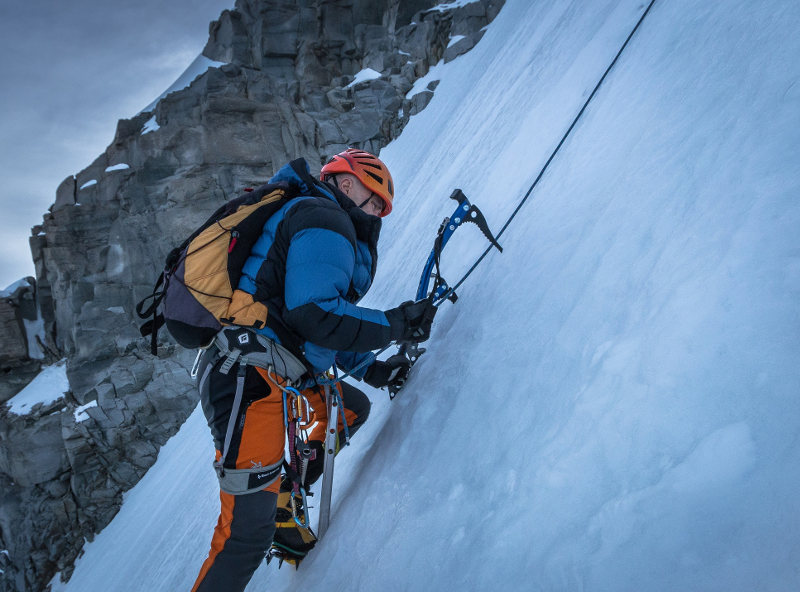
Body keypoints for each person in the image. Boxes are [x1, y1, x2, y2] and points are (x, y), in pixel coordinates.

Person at [191, 148, 436, 592]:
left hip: (258, 370)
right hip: (251, 379)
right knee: (244, 536)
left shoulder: (313, 215)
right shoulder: (325, 218)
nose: (378, 213)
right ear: (347, 183)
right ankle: (272, 507)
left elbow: (310, 326)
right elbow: (316, 315)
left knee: (350, 408)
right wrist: (398, 323)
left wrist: (375, 372)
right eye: (375, 200)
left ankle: (284, 492)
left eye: (382, 209)